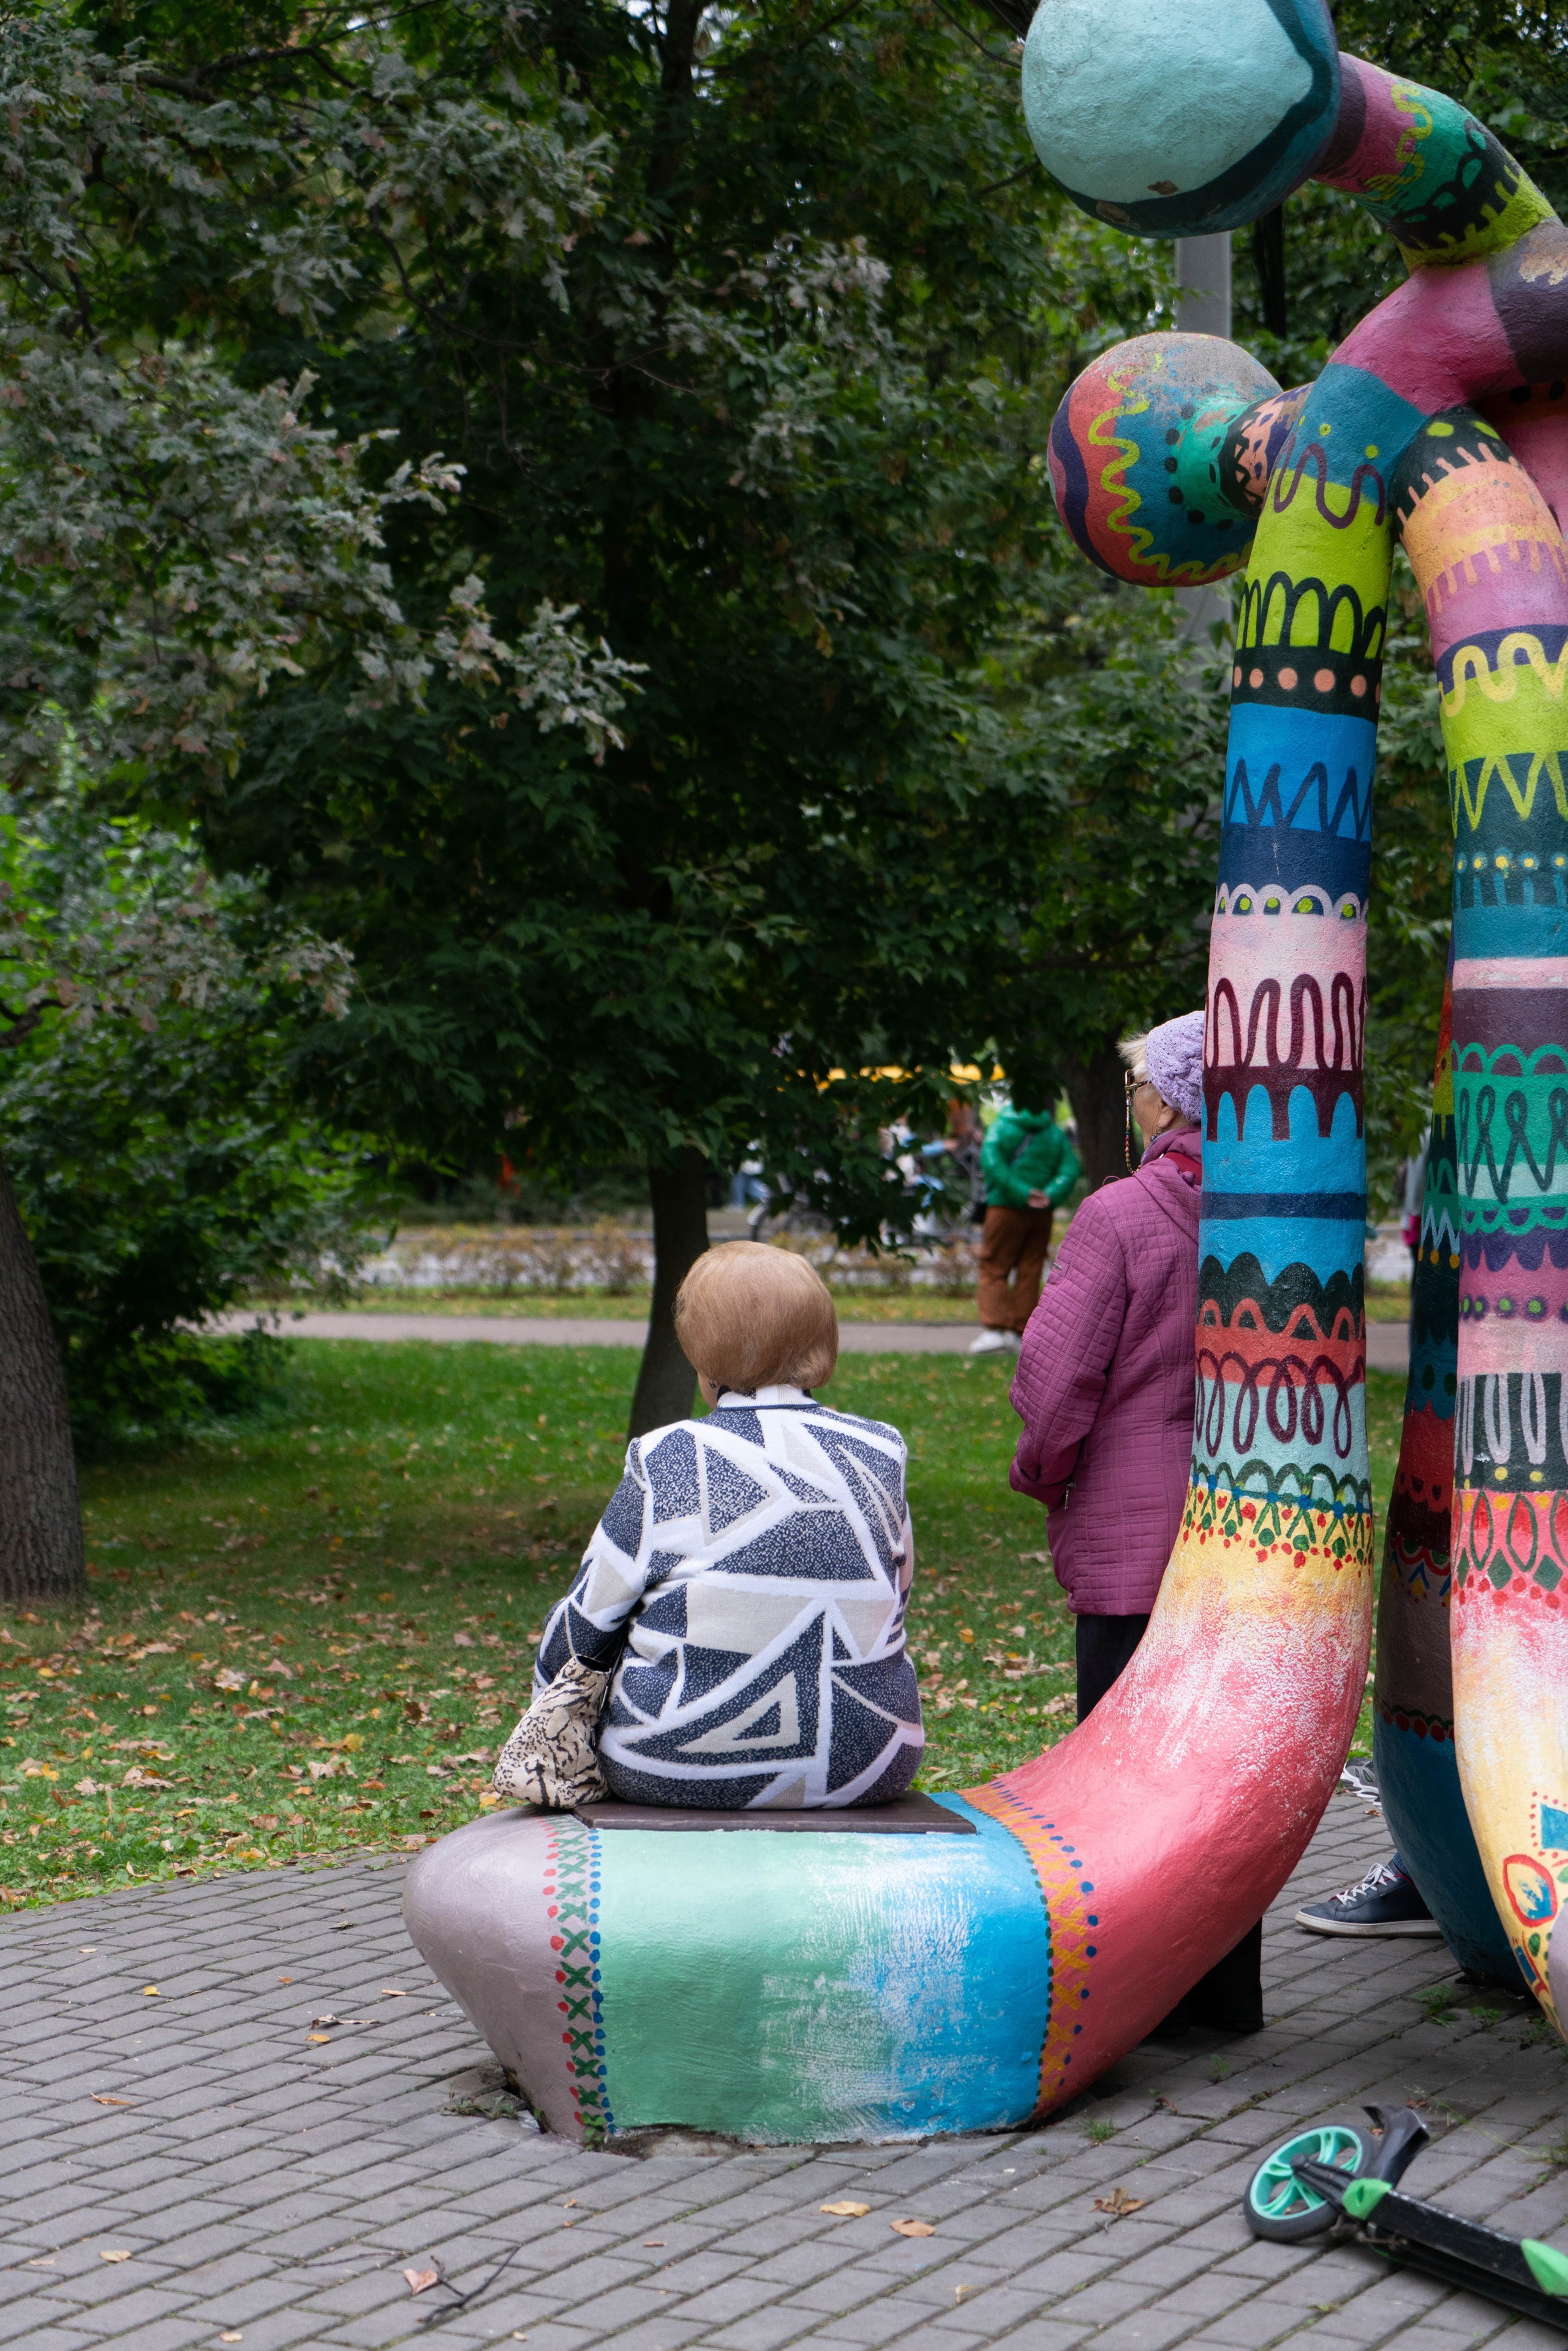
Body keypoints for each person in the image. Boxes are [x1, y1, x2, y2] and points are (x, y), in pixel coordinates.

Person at [1008, 1009, 1263, 2034]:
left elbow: (1056, 1379)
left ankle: (1133, 2001)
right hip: (1248, 1535)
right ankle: (1223, 1994)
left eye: (1136, 1086)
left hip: (1135, 1543)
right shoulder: (1269, 1209)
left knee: (1124, 1774)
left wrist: (1043, 1473)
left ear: (1164, 1101)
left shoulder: (1120, 1214)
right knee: (1217, 1772)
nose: (1133, 1102)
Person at [500, 1242, 924, 1811]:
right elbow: (894, 1598)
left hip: (671, 1765)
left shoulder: (668, 1456)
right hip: (871, 1763)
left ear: (701, 1352)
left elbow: (586, 1624)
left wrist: (548, 1715)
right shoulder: (881, 1448)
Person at [971, 1099, 1081, 1356]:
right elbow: (1070, 1169)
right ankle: (1021, 1331)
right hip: (1041, 1213)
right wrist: (1049, 1195)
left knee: (994, 1266)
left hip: (1005, 1207)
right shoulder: (1054, 1133)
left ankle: (994, 1330)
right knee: (1031, 1268)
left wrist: (1021, 1192)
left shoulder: (1002, 1126)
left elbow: (991, 1161)